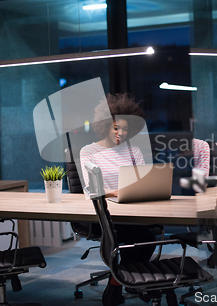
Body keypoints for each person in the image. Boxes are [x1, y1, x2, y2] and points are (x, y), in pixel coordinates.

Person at [79, 93, 161, 306]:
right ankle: (128, 282)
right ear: (106, 124)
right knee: (145, 237)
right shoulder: (89, 151)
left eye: (126, 129)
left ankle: (119, 279)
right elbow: (92, 187)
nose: (121, 133)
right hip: (103, 216)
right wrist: (118, 192)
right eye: (117, 128)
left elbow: (142, 182)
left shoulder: (133, 151)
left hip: (132, 210)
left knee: (150, 233)